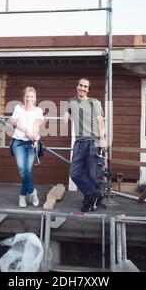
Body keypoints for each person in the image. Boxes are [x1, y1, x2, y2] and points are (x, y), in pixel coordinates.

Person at [63, 77, 106, 212]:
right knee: (75, 173)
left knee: (93, 175)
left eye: (85, 87)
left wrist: (103, 139)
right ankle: (94, 195)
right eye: (80, 85)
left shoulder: (95, 102)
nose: (82, 88)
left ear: (88, 89)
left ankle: (90, 201)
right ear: (77, 86)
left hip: (93, 141)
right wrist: (66, 114)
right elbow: (68, 111)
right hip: (79, 142)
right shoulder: (71, 101)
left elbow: (100, 121)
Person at [11, 87, 44, 208]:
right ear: (24, 97)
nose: (30, 99)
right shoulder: (18, 108)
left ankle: (22, 197)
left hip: (31, 144)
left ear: (35, 98)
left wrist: (34, 137)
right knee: (22, 169)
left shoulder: (38, 110)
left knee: (28, 170)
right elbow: (14, 122)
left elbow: (37, 124)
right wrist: (25, 130)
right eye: (28, 96)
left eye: (32, 97)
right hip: (18, 142)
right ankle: (32, 191)